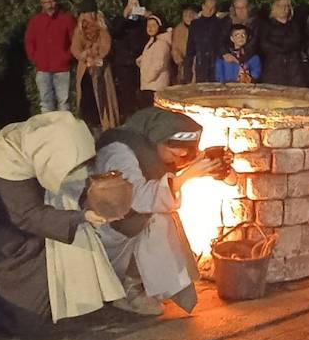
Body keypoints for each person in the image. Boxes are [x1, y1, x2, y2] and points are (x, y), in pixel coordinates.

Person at [0, 113, 125, 333]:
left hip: (32, 236)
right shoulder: (5, 162)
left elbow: (70, 186)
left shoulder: (45, 146)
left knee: (50, 302)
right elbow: (27, 215)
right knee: (25, 320)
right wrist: (81, 217)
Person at [94, 107, 224, 315]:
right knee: (159, 220)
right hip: (103, 227)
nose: (179, 160)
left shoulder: (152, 148)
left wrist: (208, 167)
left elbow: (160, 174)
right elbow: (133, 197)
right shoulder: (119, 151)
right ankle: (129, 289)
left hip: (124, 222)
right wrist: (184, 178)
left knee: (163, 216)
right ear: (159, 140)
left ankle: (142, 283)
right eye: (176, 153)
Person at [24, 0, 76, 113]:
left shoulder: (67, 19)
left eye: (52, 1)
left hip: (62, 67)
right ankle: (48, 130)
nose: (51, 5)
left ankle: (63, 129)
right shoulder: (35, 21)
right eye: (47, 2)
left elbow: (75, 40)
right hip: (42, 67)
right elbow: (29, 42)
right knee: (45, 102)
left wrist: (67, 56)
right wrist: (35, 58)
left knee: (63, 102)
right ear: (42, 4)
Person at [70, 3, 120, 131]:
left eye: (90, 12)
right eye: (86, 12)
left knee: (103, 97)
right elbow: (75, 47)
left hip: (100, 68)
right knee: (86, 99)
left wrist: (97, 56)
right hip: (85, 69)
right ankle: (89, 124)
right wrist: (84, 55)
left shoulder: (102, 28)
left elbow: (106, 45)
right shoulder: (79, 30)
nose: (88, 15)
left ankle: (106, 124)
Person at [255, 0, 309, 88]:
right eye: (280, 5)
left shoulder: (295, 25)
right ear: (274, 8)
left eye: (286, 6)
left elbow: (296, 41)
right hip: (273, 72)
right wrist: (283, 47)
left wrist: (278, 44)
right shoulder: (265, 26)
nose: (283, 8)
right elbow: (265, 45)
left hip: (295, 72)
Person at [111, 0, 150, 114]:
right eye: (131, 3)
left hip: (139, 62)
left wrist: (146, 15)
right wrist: (125, 16)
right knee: (127, 94)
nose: (134, 6)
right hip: (124, 63)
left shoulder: (142, 22)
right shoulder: (119, 20)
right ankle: (129, 117)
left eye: (136, 3)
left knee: (140, 93)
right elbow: (115, 32)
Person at [183, 0, 229, 84]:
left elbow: (222, 44)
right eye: (207, 7)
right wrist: (187, 73)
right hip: (201, 65)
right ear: (203, 6)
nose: (209, 10)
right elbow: (190, 50)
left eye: (212, 8)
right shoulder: (195, 24)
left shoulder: (221, 24)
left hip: (216, 65)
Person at [137, 14, 174, 98]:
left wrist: (147, 77)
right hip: (149, 85)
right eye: (148, 25)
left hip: (156, 85)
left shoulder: (161, 43)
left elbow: (158, 64)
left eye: (153, 25)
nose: (150, 28)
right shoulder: (152, 42)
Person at [171, 4, 198, 84]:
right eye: (186, 15)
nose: (188, 16)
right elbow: (175, 47)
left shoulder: (200, 26)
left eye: (191, 14)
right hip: (183, 63)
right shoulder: (178, 29)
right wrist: (178, 59)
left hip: (197, 62)